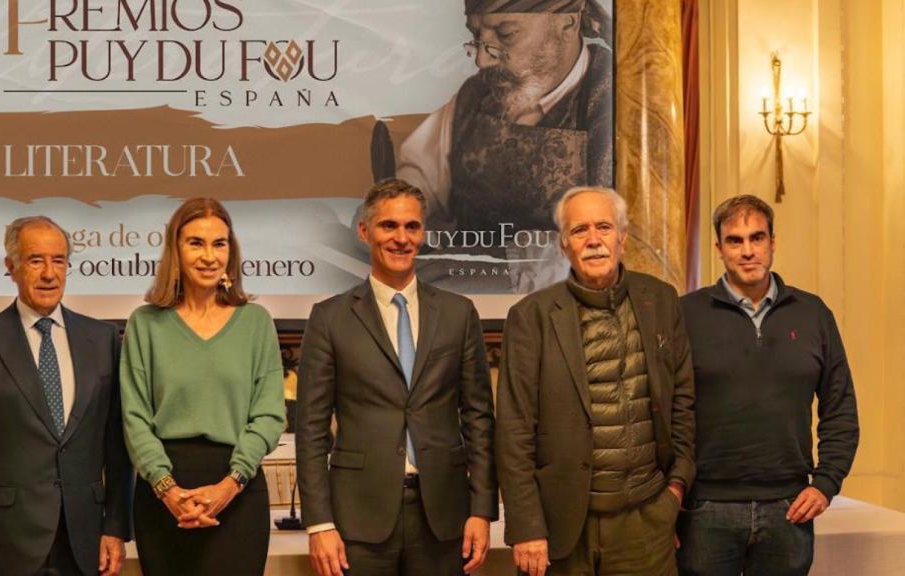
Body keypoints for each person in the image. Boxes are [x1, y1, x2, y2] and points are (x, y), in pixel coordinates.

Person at [296, 178, 498, 576]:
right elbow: (312, 430)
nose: (401, 238)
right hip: (357, 520)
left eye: (411, 227)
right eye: (389, 226)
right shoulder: (330, 318)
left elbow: (478, 418)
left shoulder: (459, 313)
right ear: (364, 231)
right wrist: (319, 523)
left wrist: (482, 510)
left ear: (423, 232)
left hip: (443, 518)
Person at [496, 186, 695, 576]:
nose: (593, 240)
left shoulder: (662, 300)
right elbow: (514, 429)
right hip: (561, 527)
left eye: (603, 227)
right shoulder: (530, 317)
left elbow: (683, 398)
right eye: (579, 230)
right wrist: (526, 527)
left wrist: (676, 488)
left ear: (622, 236)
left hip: (646, 521)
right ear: (563, 244)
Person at [677, 195, 860, 576]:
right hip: (705, 509)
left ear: (772, 242)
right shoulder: (685, 314)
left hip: (788, 507)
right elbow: (664, 410)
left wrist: (826, 482)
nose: (747, 251)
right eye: (735, 240)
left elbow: (840, 407)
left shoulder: (812, 313)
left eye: (757, 238)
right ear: (719, 249)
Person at [0, 216, 132, 576]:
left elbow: (117, 446)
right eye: (35, 260)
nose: (49, 273)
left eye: (58, 260)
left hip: (85, 541)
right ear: (10, 267)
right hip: (4, 543)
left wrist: (116, 527)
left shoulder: (104, 340)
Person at [121, 197, 286, 575]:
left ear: (231, 252)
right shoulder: (145, 324)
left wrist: (229, 486)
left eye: (219, 243)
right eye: (195, 242)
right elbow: (134, 418)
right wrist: (168, 490)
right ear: (175, 250)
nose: (209, 256)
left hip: (238, 492)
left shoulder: (256, 323)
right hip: (164, 497)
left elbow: (269, 415)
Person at [397, 0, 612, 235]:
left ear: (568, 24)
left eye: (505, 33)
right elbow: (418, 174)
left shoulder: (616, 103)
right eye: (477, 34)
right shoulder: (475, 95)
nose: (481, 59)